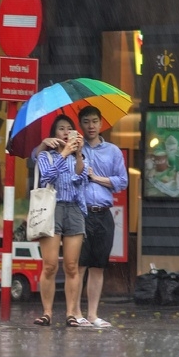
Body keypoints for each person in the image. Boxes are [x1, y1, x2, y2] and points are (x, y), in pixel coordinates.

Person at [67, 105, 129, 328]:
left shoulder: (112, 151)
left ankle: (93, 314)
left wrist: (96, 178)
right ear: (80, 125)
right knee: (79, 265)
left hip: (103, 213)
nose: (91, 126)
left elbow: (122, 181)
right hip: (80, 213)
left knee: (98, 266)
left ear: (101, 123)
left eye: (94, 121)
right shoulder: (75, 148)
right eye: (86, 122)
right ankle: (76, 312)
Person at [32, 115, 88, 327]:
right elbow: (47, 176)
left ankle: (71, 313)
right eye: (61, 129)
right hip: (51, 208)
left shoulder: (79, 156)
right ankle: (47, 312)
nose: (66, 132)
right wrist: (64, 154)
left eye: (70, 129)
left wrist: (79, 153)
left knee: (72, 266)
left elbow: (81, 178)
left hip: (74, 209)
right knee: (50, 265)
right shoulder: (46, 156)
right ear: (54, 134)